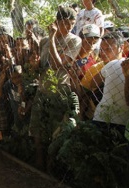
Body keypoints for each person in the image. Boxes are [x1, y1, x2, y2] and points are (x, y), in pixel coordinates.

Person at [29, 6, 81, 170]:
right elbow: (42, 67)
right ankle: (39, 163)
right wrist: (34, 65)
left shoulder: (74, 40)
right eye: (66, 23)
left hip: (59, 92)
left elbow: (59, 65)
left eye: (72, 23)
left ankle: (51, 167)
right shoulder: (43, 41)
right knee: (37, 129)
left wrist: (52, 38)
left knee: (55, 132)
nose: (70, 27)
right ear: (57, 22)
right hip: (43, 89)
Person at [89, 32, 129, 133]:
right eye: (102, 49)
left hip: (103, 118)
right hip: (125, 122)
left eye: (108, 49)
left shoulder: (112, 64)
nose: (103, 53)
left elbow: (93, 84)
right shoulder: (105, 65)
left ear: (121, 47)